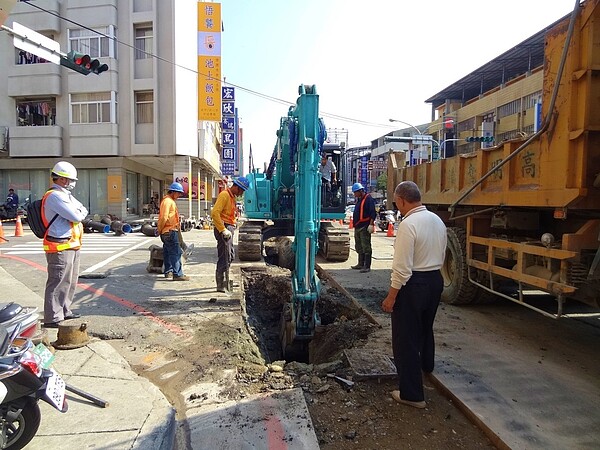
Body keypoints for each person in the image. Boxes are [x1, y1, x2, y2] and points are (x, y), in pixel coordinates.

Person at [381, 181, 447, 409]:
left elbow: (401, 268)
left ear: (401, 200)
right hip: (435, 280)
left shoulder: (409, 224)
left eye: (397, 203)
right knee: (425, 327)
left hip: (414, 283)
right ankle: (426, 365)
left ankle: (412, 394)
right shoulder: (436, 220)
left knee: (405, 338)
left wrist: (391, 296)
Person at [42, 161, 89, 328]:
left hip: (71, 244)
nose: (73, 183)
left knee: (69, 281)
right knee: (57, 281)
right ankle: (53, 318)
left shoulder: (65, 195)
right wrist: (79, 213)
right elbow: (77, 215)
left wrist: (79, 213)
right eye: (71, 180)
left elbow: (82, 209)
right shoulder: (55, 196)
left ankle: (64, 310)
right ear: (62, 179)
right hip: (60, 245)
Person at [211, 177, 249, 292]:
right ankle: (220, 283)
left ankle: (223, 280)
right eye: (241, 190)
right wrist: (223, 229)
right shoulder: (225, 195)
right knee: (224, 256)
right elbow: (215, 213)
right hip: (224, 228)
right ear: (236, 187)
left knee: (230, 255)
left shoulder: (231, 197)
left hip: (228, 228)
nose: (241, 193)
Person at [157, 182, 189, 281]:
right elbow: (164, 217)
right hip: (169, 231)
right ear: (173, 192)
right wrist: (160, 229)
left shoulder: (168, 201)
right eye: (178, 193)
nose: (179, 195)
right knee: (176, 253)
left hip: (167, 231)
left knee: (167, 251)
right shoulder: (168, 201)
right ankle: (177, 274)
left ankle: (168, 272)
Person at [350, 182, 376, 273]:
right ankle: (360, 263)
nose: (355, 194)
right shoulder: (359, 200)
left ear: (360, 191)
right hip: (358, 226)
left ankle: (367, 265)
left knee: (366, 247)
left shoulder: (368, 199)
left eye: (355, 192)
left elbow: (373, 212)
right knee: (359, 246)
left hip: (364, 226)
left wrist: (371, 224)